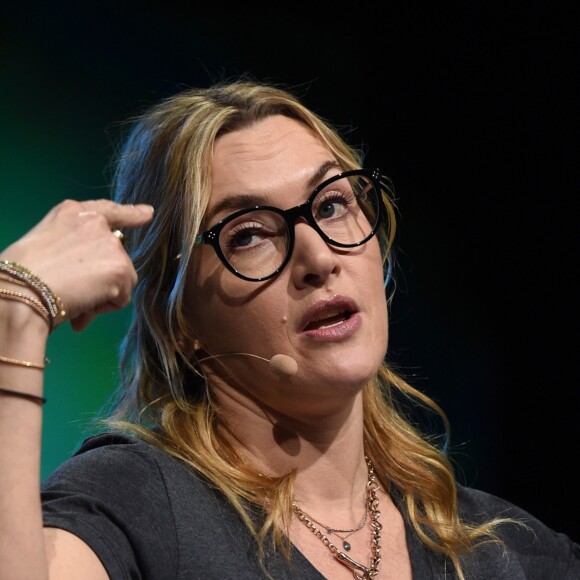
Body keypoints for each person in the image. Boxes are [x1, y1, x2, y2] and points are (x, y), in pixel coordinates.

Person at [0, 79, 578, 580]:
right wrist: (16, 314)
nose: (319, 257)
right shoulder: (138, 503)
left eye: (330, 205)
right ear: (178, 322)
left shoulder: (501, 551)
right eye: (249, 234)